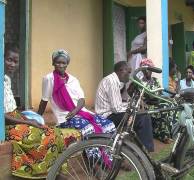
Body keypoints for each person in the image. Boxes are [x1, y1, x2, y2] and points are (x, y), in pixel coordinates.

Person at [4, 44, 65, 178]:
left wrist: (27, 119)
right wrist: (29, 122)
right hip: (5, 126)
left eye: (15, 61)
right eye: (9, 59)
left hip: (14, 118)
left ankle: (55, 171)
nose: (12, 64)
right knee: (40, 136)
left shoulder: (6, 79)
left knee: (53, 132)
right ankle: (39, 172)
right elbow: (3, 116)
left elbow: (11, 109)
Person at [38, 50, 116, 138]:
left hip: (81, 112)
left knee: (109, 125)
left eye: (63, 63)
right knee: (88, 128)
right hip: (64, 118)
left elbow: (81, 99)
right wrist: (37, 118)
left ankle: (106, 151)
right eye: (58, 63)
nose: (61, 65)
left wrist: (75, 111)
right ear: (53, 63)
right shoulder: (49, 79)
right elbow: (44, 100)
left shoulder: (73, 80)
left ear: (67, 64)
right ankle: (93, 152)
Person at [95, 61, 154, 152]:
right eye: (128, 72)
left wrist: (131, 105)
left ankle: (136, 150)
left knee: (139, 115)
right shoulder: (112, 81)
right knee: (143, 117)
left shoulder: (113, 80)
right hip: (107, 116)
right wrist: (132, 108)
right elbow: (116, 108)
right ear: (121, 70)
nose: (129, 76)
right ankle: (146, 151)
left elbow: (118, 104)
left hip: (110, 113)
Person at [136, 59, 172, 143]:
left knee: (172, 104)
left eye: (150, 69)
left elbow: (160, 93)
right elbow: (138, 96)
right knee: (164, 107)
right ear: (143, 70)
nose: (148, 71)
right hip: (146, 106)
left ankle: (171, 132)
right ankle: (164, 136)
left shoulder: (155, 80)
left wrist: (168, 98)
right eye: (146, 69)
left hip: (157, 103)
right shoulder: (140, 82)